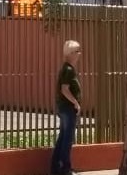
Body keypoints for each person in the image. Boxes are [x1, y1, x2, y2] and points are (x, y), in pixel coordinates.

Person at [50, 40, 82, 175]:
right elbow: (64, 89)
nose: (79, 54)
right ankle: (65, 168)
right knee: (67, 139)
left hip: (64, 108)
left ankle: (56, 167)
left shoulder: (66, 68)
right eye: (77, 52)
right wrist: (75, 103)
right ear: (70, 54)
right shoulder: (68, 70)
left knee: (63, 137)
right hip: (68, 109)